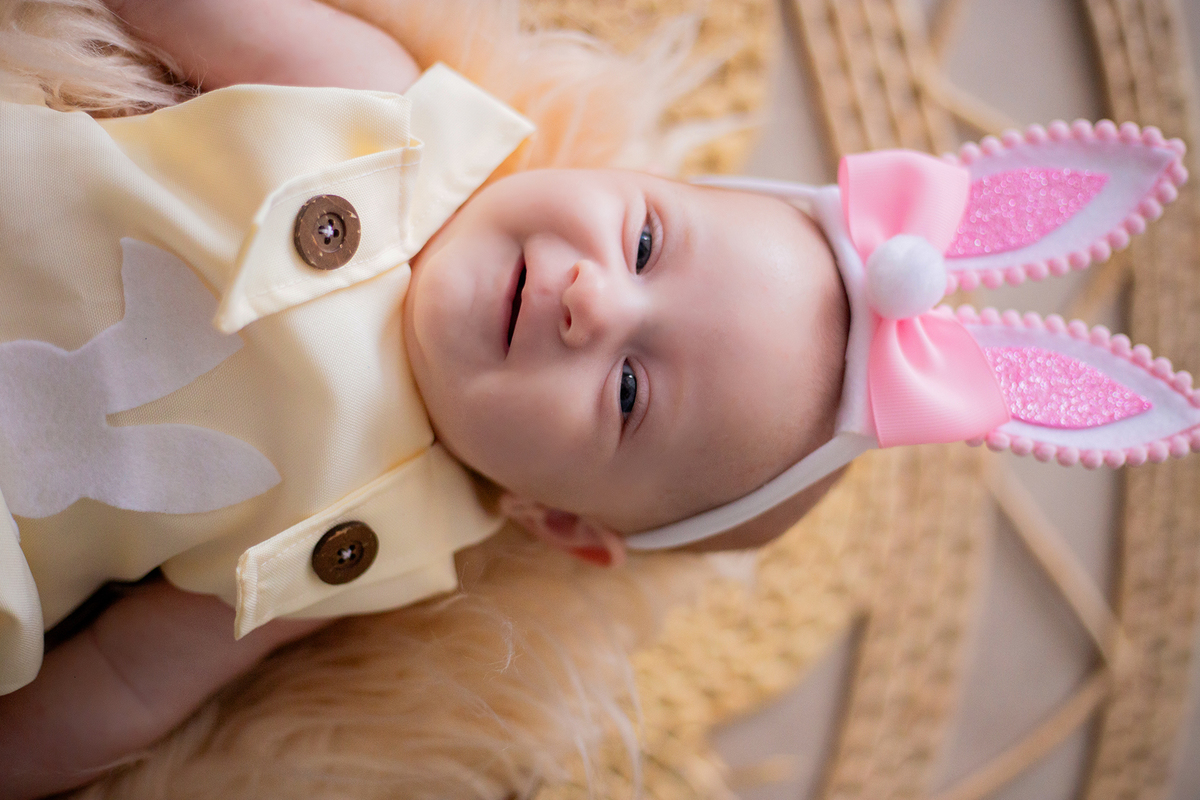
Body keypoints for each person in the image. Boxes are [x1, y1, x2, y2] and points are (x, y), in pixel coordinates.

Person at [0, 0, 1192, 797]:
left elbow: (132, 679)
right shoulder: (395, 113)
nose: (593, 303)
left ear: (553, 517)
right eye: (645, 239)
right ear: (627, 176)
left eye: (628, 390)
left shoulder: (382, 540)